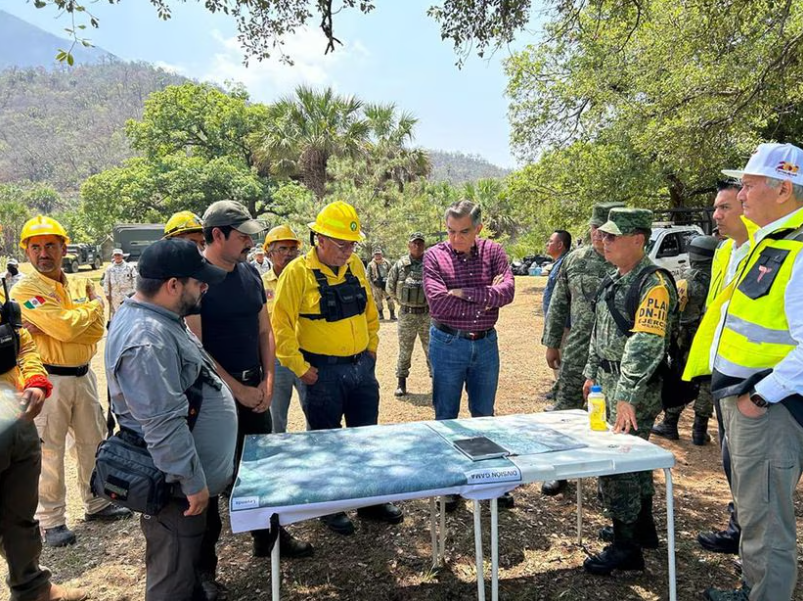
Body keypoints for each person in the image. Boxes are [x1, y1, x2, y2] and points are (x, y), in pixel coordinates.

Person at [185, 201, 312, 598]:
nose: (250, 242)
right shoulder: (194, 281)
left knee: (262, 472)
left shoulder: (249, 274)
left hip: (255, 388)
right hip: (212, 399)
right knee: (212, 481)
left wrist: (268, 380)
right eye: (242, 236)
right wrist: (235, 390)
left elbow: (264, 331)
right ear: (217, 235)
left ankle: (269, 540)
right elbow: (196, 347)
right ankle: (203, 569)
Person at [697, 143, 803, 601]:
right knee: (755, 511)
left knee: (767, 518)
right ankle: (753, 588)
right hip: (745, 400)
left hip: (767, 408)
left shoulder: (797, 251)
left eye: (748, 184)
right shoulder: (767, 242)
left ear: (782, 189)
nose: (741, 194)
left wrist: (761, 396)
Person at [105, 238, 237, 601]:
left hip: (186, 482)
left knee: (185, 567)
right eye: (199, 281)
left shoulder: (162, 318)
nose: (205, 287)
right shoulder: (147, 339)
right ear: (173, 285)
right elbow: (162, 422)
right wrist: (191, 480)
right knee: (171, 580)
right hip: (177, 489)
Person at [272, 200, 403, 536]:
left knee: (365, 437)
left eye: (352, 244)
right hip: (321, 374)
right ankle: (329, 506)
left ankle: (370, 501)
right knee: (325, 442)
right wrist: (301, 370)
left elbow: (370, 313)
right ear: (321, 240)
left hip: (361, 370)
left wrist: (371, 350)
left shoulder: (356, 265)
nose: (348, 251)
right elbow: (281, 327)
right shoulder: (296, 274)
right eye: (342, 244)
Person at [12, 216, 131, 548]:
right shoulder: (27, 289)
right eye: (35, 247)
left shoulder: (76, 284)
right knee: (49, 451)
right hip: (49, 378)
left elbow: (95, 330)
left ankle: (97, 502)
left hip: (83, 373)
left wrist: (77, 319)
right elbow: (67, 328)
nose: (43, 253)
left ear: (64, 248)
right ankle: (50, 521)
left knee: (93, 441)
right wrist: (89, 311)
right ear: (26, 251)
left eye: (50, 245)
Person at [581, 208, 677, 576]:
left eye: (613, 236)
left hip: (631, 393)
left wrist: (627, 393)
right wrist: (591, 373)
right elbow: (598, 332)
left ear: (638, 240)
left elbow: (645, 343)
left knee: (618, 463)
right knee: (634, 462)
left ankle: (626, 548)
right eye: (603, 235)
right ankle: (642, 529)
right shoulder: (615, 279)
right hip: (609, 386)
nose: (604, 241)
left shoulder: (652, 283)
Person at [422, 200, 515, 511]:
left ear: (478, 228)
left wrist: (464, 292)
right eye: (450, 231)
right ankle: (449, 485)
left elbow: (508, 292)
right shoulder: (435, 256)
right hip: (448, 342)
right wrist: (487, 296)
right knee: (446, 415)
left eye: (463, 232)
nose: (455, 239)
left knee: (484, 415)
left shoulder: (494, 253)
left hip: (486, 344)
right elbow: (438, 304)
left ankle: (490, 482)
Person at [0, 282, 87, 601]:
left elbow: (21, 344)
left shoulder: (2, 300)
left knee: (20, 514)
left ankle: (32, 588)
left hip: (16, 417)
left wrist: (36, 382)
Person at [684, 180, 752, 556]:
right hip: (723, 371)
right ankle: (738, 526)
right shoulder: (726, 251)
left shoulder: (772, 249)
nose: (716, 215)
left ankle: (751, 550)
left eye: (725, 207)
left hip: (757, 381)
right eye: (716, 207)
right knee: (731, 458)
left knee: (751, 469)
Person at [539, 202, 621, 497]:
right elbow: (558, 303)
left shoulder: (626, 262)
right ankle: (560, 472)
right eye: (595, 228)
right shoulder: (574, 260)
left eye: (605, 229)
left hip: (613, 353)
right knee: (565, 410)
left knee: (608, 415)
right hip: (576, 347)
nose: (599, 235)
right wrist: (551, 343)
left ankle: (607, 478)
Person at [651, 235, 718, 443]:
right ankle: (700, 430)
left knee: (681, 378)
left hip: (687, 339)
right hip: (710, 337)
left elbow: (675, 312)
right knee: (707, 382)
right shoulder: (721, 279)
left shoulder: (686, 281)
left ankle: (670, 423)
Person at [260, 224, 307, 434]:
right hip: (277, 359)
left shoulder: (309, 280)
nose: (289, 254)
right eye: (282, 249)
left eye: (292, 249)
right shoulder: (260, 284)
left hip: (306, 355)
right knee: (276, 418)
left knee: (315, 413)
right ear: (268, 253)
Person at [385, 232, 431, 397]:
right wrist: (402, 301)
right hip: (406, 315)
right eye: (414, 243)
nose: (417, 246)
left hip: (427, 315)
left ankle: (438, 383)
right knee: (405, 350)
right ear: (409, 245)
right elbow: (390, 287)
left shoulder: (431, 264)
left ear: (424, 245)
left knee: (432, 351)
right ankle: (401, 382)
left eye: (420, 243)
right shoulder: (400, 265)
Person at [100, 248, 137, 320]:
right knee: (117, 313)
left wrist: (134, 292)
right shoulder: (109, 268)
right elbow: (106, 281)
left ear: (122, 256)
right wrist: (107, 293)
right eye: (116, 255)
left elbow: (135, 280)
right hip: (115, 295)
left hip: (127, 294)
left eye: (119, 255)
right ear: (113, 256)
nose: (117, 257)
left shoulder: (129, 267)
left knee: (128, 312)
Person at [367, 248, 395, 321]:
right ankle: (381, 315)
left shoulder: (386, 262)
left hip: (386, 284)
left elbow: (392, 272)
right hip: (376, 285)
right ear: (374, 255)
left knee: (390, 300)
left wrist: (390, 282)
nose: (377, 256)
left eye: (379, 254)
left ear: (381, 254)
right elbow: (368, 276)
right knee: (378, 301)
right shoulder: (370, 264)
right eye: (376, 254)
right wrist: (371, 285)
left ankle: (392, 315)